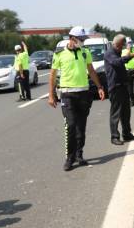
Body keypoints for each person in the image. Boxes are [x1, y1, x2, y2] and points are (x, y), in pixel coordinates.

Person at [48, 26, 106, 171]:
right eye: (81, 40)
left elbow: (91, 71)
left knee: (81, 127)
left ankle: (79, 154)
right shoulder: (59, 54)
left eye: (84, 40)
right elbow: (52, 75)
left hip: (84, 94)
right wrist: (51, 94)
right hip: (67, 95)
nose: (83, 42)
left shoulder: (85, 53)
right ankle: (69, 157)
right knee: (71, 125)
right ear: (71, 38)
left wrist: (99, 87)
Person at [104, 34, 134, 146]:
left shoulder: (117, 52)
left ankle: (127, 133)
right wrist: (131, 56)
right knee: (116, 113)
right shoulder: (109, 53)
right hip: (115, 87)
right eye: (121, 45)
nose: (122, 47)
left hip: (123, 85)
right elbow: (116, 62)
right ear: (115, 44)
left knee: (126, 111)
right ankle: (114, 136)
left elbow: (119, 67)